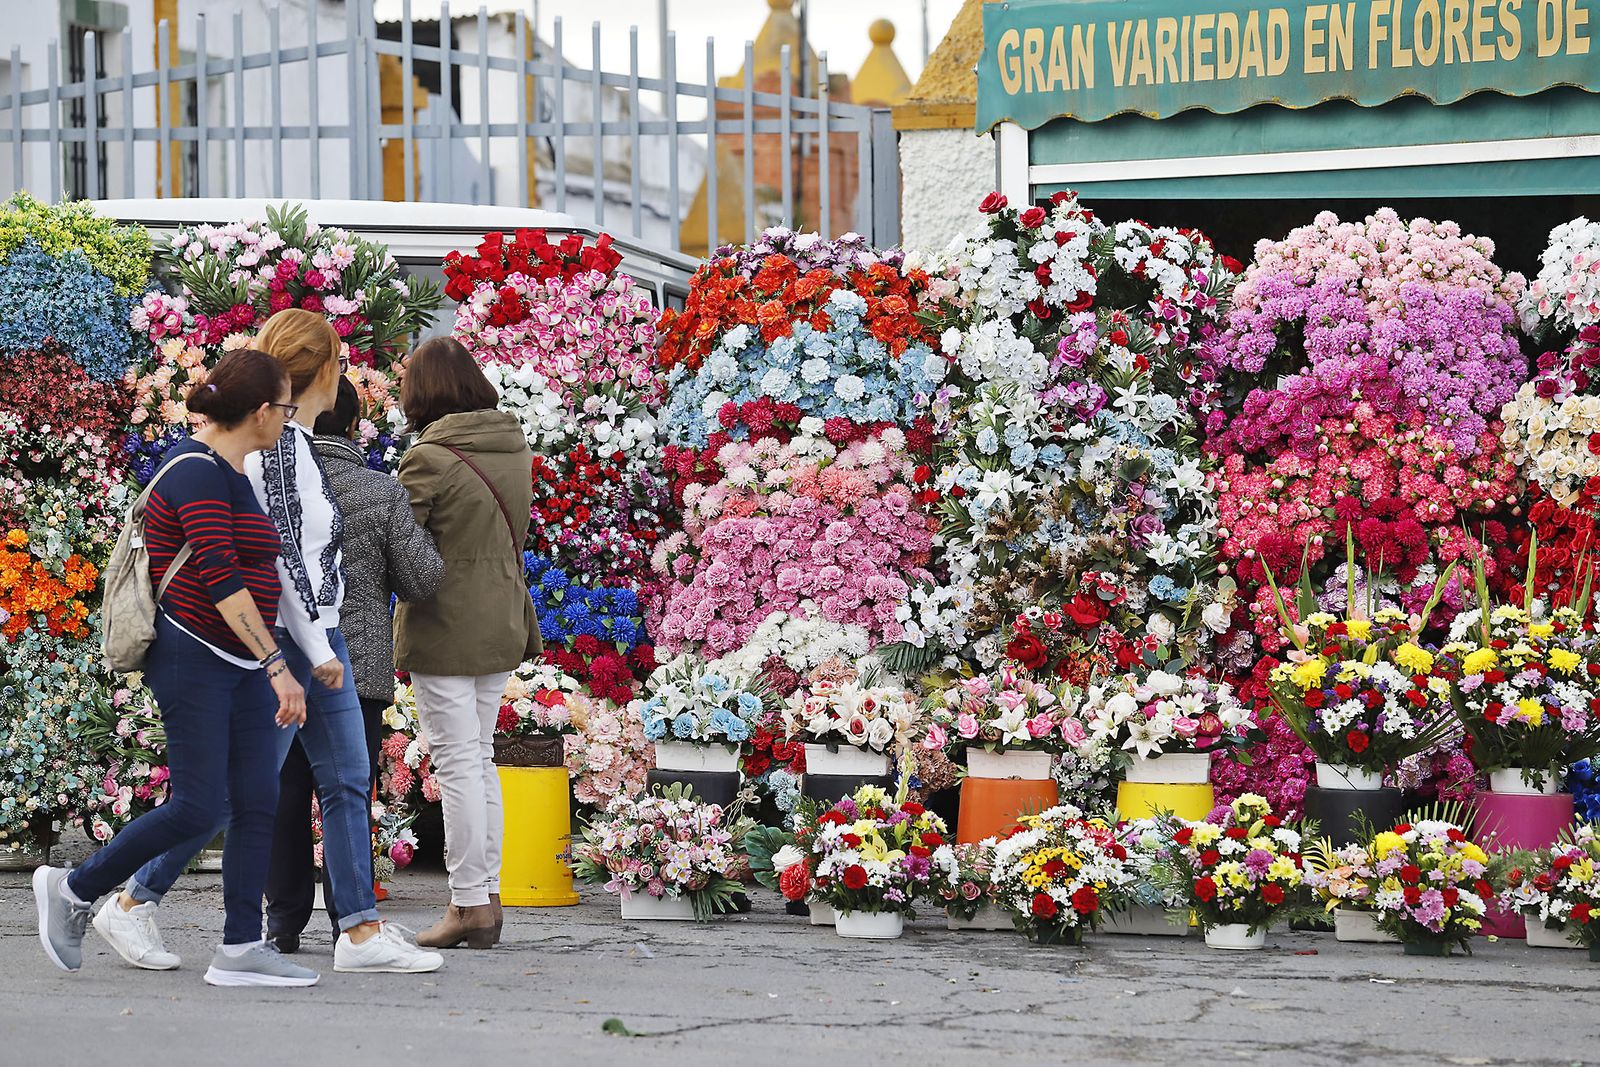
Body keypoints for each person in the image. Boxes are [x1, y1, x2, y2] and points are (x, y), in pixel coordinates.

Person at [117, 309, 443, 975]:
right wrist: (315, 649)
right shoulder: (277, 446)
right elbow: (283, 555)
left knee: (348, 779)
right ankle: (131, 898)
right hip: (296, 641)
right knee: (244, 789)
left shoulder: (290, 440)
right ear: (321, 372)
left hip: (312, 639)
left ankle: (358, 930)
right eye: (340, 362)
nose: (345, 374)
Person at [33, 349, 322, 988]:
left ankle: (241, 948)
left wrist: (269, 657)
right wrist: (278, 663)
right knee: (198, 806)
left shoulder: (232, 472)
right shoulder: (194, 471)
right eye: (283, 406)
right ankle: (74, 891)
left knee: (255, 800)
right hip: (193, 655)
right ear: (258, 410)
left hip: (239, 660)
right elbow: (219, 575)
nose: (286, 418)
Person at [263, 376, 445, 952]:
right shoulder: (378, 492)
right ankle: (353, 920)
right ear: (351, 426)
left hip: (287, 661)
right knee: (347, 792)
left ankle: (283, 923)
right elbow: (422, 577)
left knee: (286, 794)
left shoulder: (273, 479)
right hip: (355, 670)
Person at [395, 337, 539, 949]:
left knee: (457, 763)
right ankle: (486, 895)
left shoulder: (430, 457)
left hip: (447, 622)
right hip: (500, 616)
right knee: (478, 759)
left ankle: (468, 904)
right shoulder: (513, 447)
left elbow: (399, 540)